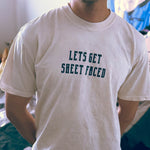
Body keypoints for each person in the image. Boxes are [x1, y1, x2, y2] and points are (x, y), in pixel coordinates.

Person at [0, 0, 150, 149]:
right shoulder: (32, 33)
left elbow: (127, 113)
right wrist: (45, 144)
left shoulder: (134, 43)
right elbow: (14, 109)